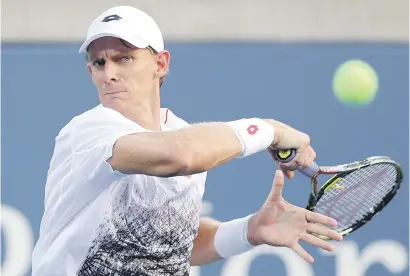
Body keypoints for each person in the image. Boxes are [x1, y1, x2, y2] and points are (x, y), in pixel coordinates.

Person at [31, 5, 343, 276]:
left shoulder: (178, 131)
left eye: (123, 58)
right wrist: (270, 129)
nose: (108, 73)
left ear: (160, 63)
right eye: (99, 63)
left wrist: (249, 230)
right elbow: (183, 155)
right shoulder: (88, 130)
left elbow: (167, 246)